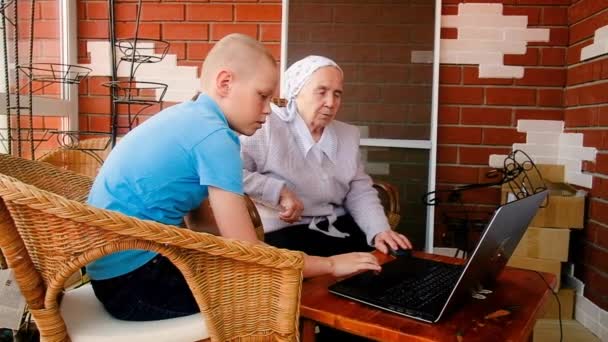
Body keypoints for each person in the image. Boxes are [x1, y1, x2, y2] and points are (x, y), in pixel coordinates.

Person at [86, 34, 381, 321]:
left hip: (111, 274)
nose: (268, 110)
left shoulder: (190, 118)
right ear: (225, 83)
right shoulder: (217, 138)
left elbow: (201, 224)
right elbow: (248, 251)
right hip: (138, 284)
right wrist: (329, 264)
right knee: (275, 286)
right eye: (262, 96)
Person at [240, 55, 412, 258]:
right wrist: (277, 190)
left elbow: (359, 190)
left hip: (337, 225)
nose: (331, 103)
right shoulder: (265, 127)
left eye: (337, 94)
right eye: (321, 92)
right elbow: (230, 172)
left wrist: (379, 230)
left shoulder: (347, 134)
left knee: (389, 262)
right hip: (283, 231)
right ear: (296, 91)